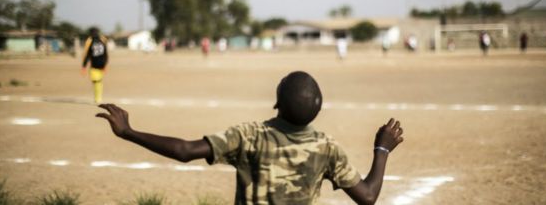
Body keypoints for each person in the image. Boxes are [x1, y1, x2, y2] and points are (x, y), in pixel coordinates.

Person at [96, 71, 404, 205]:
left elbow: (185, 150)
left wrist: (128, 132)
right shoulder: (327, 148)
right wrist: (382, 149)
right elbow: (367, 197)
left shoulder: (249, 136)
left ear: (277, 103)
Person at [81, 27, 109, 104]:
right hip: (101, 64)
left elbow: (87, 55)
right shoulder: (103, 39)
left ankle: (98, 98)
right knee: (98, 81)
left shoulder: (89, 40)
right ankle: (98, 98)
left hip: (95, 65)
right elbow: (106, 54)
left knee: (96, 81)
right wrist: (106, 64)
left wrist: (84, 66)